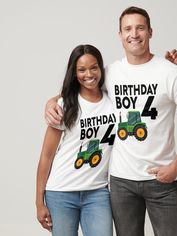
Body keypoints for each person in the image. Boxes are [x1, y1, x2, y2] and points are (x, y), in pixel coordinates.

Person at [43, 6, 177, 236]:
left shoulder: (170, 72)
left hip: (161, 180)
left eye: (140, 27)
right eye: (127, 28)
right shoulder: (110, 73)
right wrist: (53, 101)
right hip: (121, 183)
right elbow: (81, 86)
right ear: (120, 35)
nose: (134, 33)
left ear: (150, 32)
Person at [36, 44, 116, 236]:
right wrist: (39, 202)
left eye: (94, 67)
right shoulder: (65, 105)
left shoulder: (113, 100)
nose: (88, 74)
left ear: (101, 68)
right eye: (81, 69)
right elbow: (46, 156)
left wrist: (167, 67)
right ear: (74, 73)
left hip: (97, 193)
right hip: (61, 193)